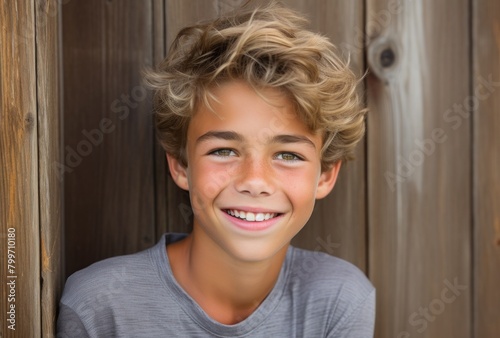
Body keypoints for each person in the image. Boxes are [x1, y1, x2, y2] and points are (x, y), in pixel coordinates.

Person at [57, 1, 375, 337]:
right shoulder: (100, 306)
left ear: (325, 175)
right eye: (224, 150)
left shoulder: (339, 300)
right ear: (181, 165)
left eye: (288, 155)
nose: (255, 181)